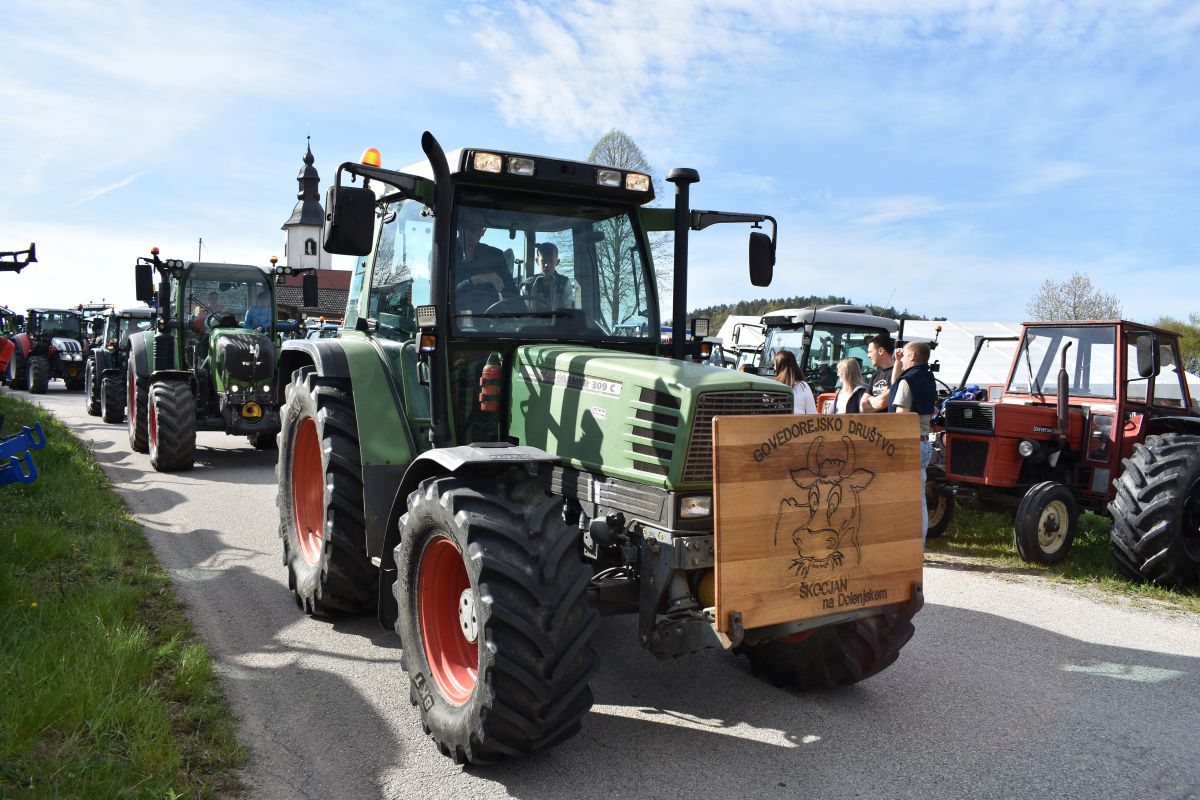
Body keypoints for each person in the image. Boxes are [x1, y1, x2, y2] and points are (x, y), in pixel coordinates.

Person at [889, 341, 938, 541]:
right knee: (919, 499)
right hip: (924, 442)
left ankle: (907, 544)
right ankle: (919, 545)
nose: (902, 358)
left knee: (902, 497)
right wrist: (897, 363)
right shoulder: (928, 378)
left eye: (905, 355)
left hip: (909, 444)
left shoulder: (907, 381)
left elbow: (901, 417)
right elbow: (896, 385)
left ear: (913, 356)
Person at [453, 210, 518, 312]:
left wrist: (525, 316)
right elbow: (447, 295)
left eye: (480, 228)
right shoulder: (445, 255)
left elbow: (512, 293)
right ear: (460, 227)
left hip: (492, 318)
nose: (476, 233)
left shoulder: (494, 255)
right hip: (455, 317)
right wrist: (478, 279)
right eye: (471, 227)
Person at [521, 242, 574, 309]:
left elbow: (568, 308)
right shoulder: (528, 284)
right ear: (537, 261)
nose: (547, 265)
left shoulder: (564, 283)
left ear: (557, 262)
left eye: (551, 261)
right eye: (543, 261)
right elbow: (523, 309)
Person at [859, 333, 897, 413]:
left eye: (870, 352)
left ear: (881, 351)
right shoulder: (875, 374)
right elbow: (862, 406)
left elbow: (882, 402)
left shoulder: (897, 373)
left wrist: (870, 399)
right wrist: (880, 397)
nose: (868, 356)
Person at [774, 349, 816, 414]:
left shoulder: (773, 386)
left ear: (779, 365)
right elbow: (812, 413)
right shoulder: (804, 386)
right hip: (800, 420)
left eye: (774, 364)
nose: (773, 367)